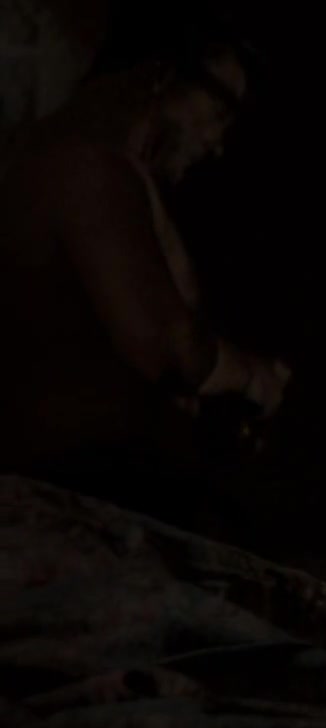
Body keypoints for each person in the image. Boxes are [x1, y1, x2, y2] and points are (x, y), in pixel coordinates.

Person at [0, 27, 290, 496]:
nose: (217, 143)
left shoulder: (111, 172)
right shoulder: (87, 170)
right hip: (52, 482)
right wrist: (253, 377)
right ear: (162, 78)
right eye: (219, 114)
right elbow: (167, 347)